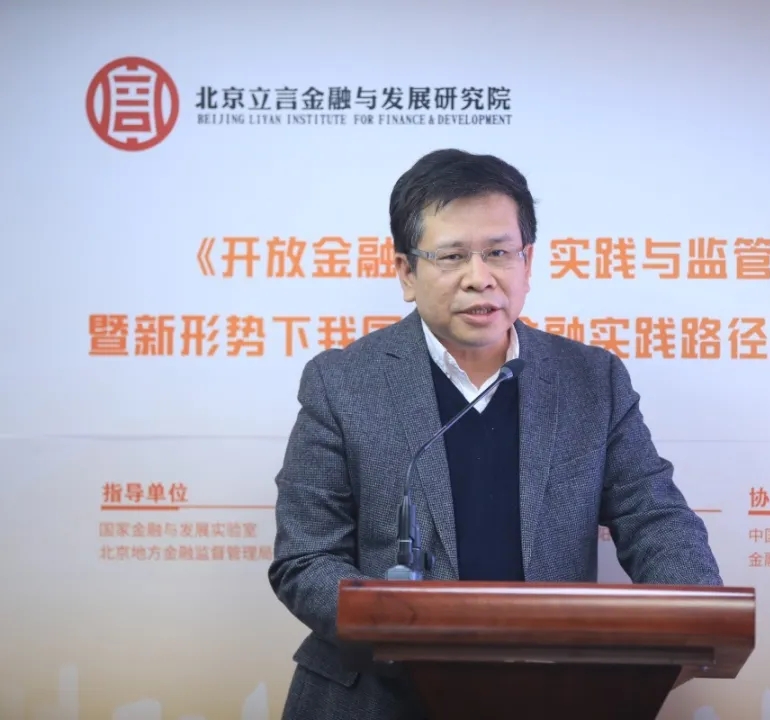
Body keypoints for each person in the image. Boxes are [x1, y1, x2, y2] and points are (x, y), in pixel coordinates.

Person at [268, 148, 723, 719]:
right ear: (406, 272)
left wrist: (696, 611)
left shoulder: (591, 380)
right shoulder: (342, 383)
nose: (478, 278)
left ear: (527, 263)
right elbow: (306, 557)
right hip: (379, 698)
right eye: (452, 256)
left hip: (550, 695)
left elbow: (654, 516)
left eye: (499, 253)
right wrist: (405, 625)